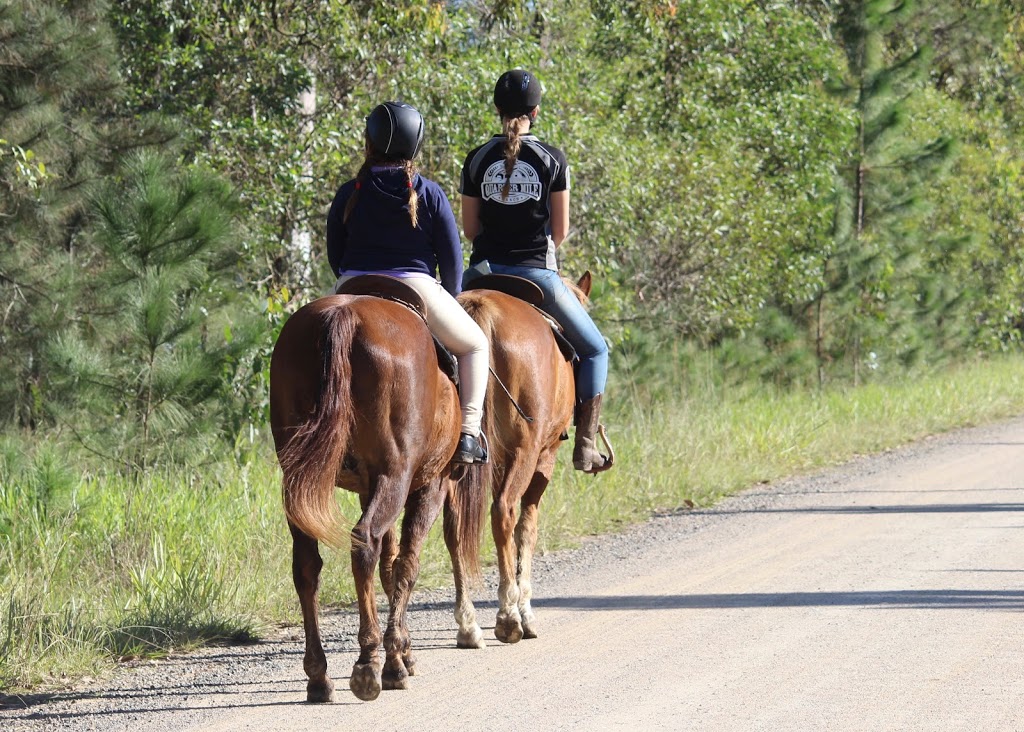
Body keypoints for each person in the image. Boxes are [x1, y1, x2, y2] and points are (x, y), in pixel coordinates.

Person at [459, 69, 612, 473]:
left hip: (480, 275)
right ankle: (584, 445)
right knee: (596, 349)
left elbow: (470, 230)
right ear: (536, 111)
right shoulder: (552, 159)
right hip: (537, 277)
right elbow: (558, 233)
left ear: (497, 109)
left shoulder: (476, 159)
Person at [327, 101, 488, 464]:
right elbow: (451, 265)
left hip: (352, 284)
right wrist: (450, 295)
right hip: (415, 287)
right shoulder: (429, 193)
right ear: (415, 146)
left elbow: (335, 257)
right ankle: (468, 435)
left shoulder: (348, 192)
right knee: (475, 345)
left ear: (369, 141)